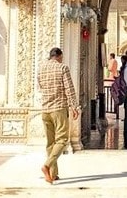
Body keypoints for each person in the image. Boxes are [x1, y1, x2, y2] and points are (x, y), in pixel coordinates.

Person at [36, 47, 79, 184]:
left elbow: (40, 87)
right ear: (59, 56)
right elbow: (69, 88)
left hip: (45, 109)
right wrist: (74, 106)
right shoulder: (62, 68)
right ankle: (47, 165)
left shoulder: (41, 68)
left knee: (50, 142)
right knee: (62, 140)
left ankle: (53, 175)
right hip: (59, 108)